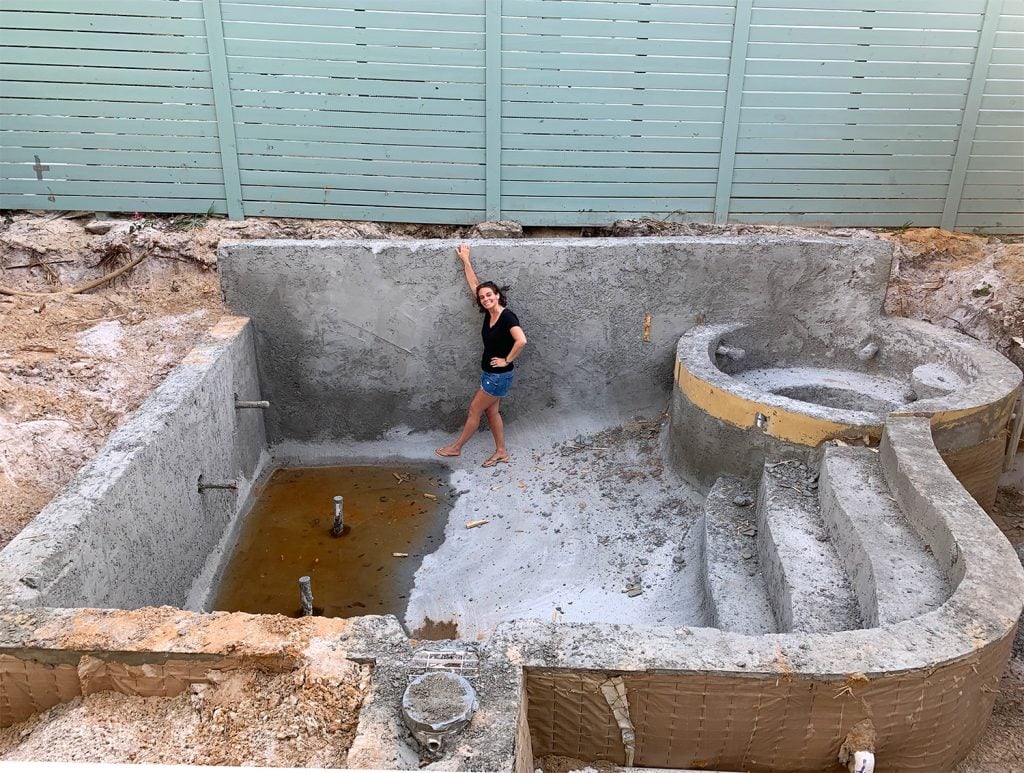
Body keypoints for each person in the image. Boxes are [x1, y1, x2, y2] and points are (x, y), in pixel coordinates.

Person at [435, 243, 527, 467]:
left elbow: (521, 340)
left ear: (498, 295)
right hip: (491, 374)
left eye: (489, 295)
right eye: (483, 297)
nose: (485, 299)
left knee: (475, 409)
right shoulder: (489, 313)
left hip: (498, 376)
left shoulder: (507, 317)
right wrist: (465, 259)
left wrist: (507, 359)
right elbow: (475, 285)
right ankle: (501, 451)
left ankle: (456, 448)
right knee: (492, 412)